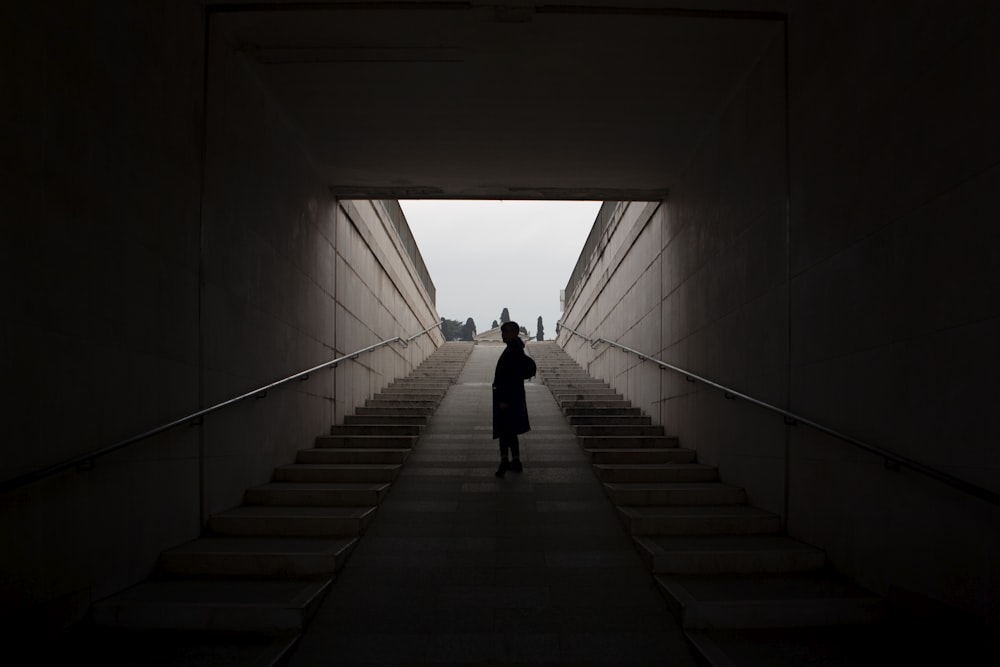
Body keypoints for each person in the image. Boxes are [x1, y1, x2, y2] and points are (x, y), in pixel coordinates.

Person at [492, 321, 532, 477]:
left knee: (504, 431)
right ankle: (515, 461)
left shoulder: (512, 351)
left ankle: (504, 461)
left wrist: (504, 399)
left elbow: (509, 377)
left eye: (505, 332)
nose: (502, 335)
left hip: (508, 398)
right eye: (502, 332)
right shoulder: (515, 349)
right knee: (511, 430)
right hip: (514, 397)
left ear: (513, 333)